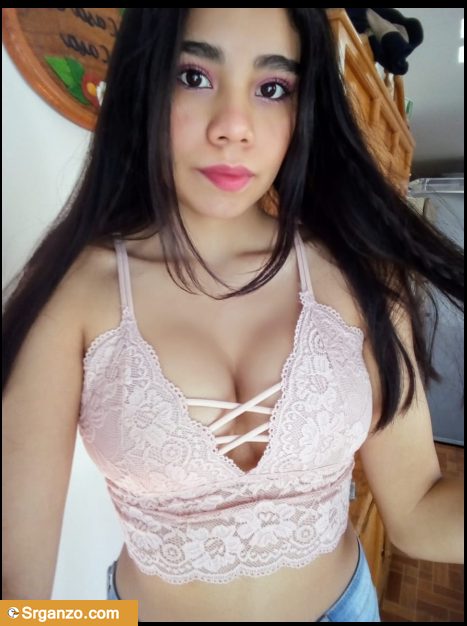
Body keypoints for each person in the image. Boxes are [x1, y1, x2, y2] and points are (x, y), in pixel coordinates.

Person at [2, 8, 464, 623]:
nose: (234, 127)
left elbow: (419, 510)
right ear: (145, 81)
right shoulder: (72, 294)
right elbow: (18, 599)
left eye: (272, 88)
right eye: (194, 76)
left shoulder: (362, 276)